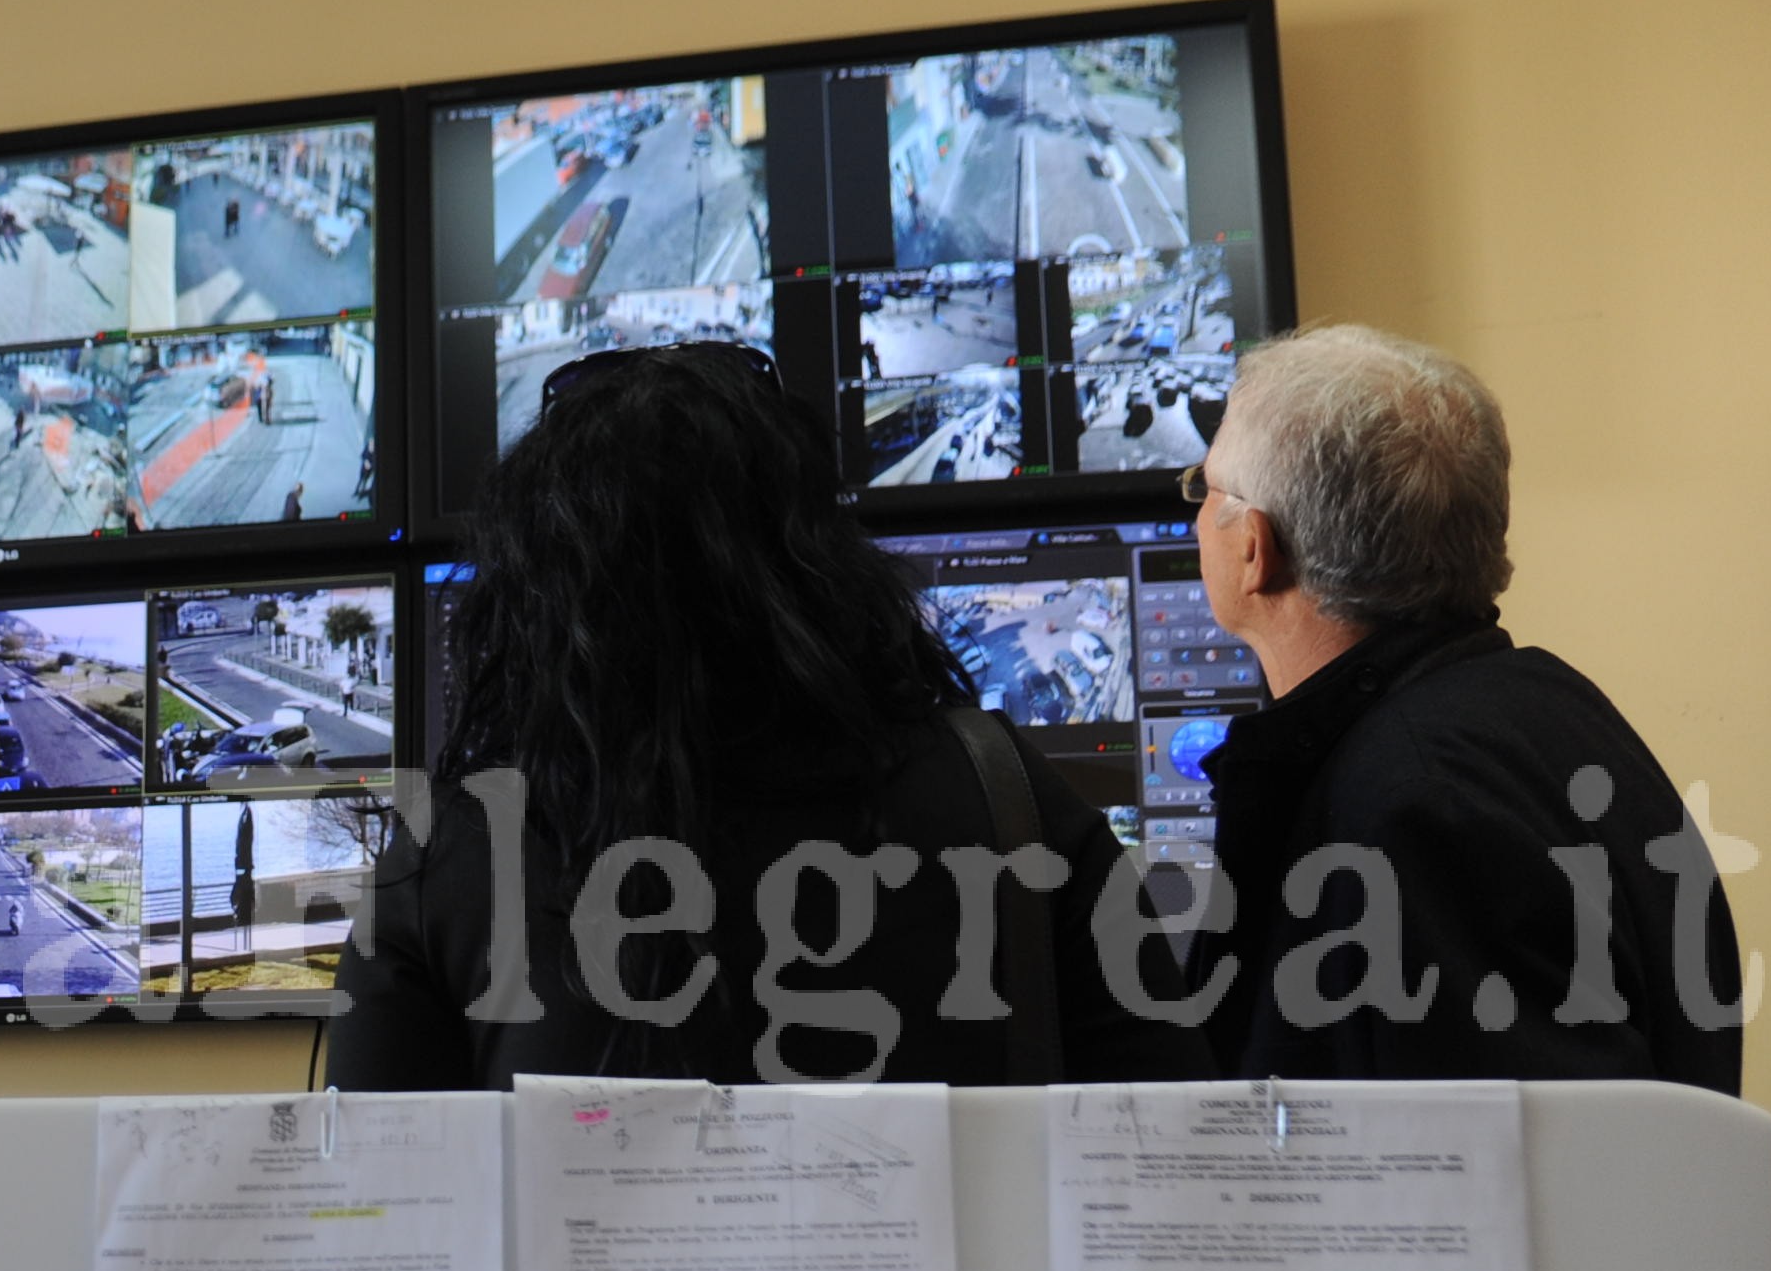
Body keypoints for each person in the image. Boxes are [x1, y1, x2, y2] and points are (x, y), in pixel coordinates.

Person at [326, 345, 1206, 1090]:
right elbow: (1169, 1134)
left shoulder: (454, 854)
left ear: (534, 590)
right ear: (818, 556)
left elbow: (391, 1220)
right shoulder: (1004, 790)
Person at [1184, 324, 1743, 1088]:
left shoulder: (1410, 805)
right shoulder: (1544, 710)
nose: (1193, 516)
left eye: (1204, 488)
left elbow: (1472, 1188)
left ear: (1255, 547)